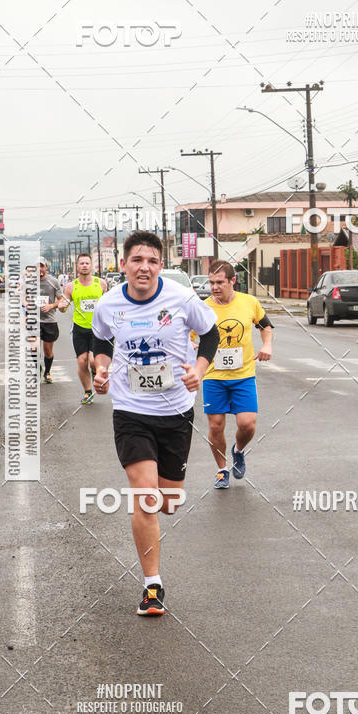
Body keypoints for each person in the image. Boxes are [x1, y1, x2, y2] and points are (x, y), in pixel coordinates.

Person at [92, 231, 219, 616]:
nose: (144, 267)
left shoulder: (182, 298)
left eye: (151, 261)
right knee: (145, 496)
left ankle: (162, 511)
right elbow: (101, 342)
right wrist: (101, 370)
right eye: (137, 260)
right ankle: (152, 585)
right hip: (130, 411)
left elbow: (210, 334)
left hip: (176, 412)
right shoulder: (109, 303)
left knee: (168, 502)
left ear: (161, 265)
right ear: (124, 265)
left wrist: (199, 369)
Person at [197, 259, 273, 489]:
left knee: (247, 424)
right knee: (216, 426)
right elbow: (187, 334)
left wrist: (267, 345)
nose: (214, 287)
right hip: (214, 375)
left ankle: (238, 451)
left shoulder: (249, 302)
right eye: (211, 282)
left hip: (243, 374)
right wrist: (190, 345)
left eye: (219, 282)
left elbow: (265, 326)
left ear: (232, 281)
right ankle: (222, 470)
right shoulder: (203, 308)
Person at [58, 253, 107, 404]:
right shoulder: (71, 286)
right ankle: (87, 392)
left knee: (92, 360)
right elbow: (63, 306)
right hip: (79, 328)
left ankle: (94, 372)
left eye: (87, 263)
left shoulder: (101, 283)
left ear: (91, 266)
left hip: (96, 329)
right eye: (81, 263)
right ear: (77, 266)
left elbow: (107, 304)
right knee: (82, 361)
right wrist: (62, 306)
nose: (84, 266)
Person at [38, 258, 63, 384]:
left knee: (47, 351)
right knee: (33, 349)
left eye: (41, 266)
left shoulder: (53, 282)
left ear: (46, 267)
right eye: (36, 266)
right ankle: (37, 368)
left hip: (49, 321)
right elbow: (23, 298)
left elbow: (61, 300)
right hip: (33, 320)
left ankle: (47, 372)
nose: (39, 269)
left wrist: (51, 306)